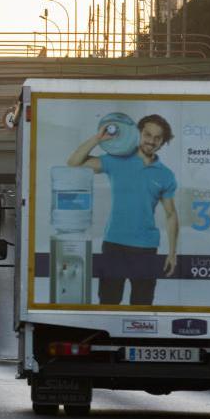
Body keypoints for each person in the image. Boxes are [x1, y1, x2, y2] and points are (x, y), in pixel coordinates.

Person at [67, 114, 179, 305]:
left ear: (163, 142)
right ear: (139, 133)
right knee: (109, 302)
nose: (151, 141)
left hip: (146, 248)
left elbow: (171, 214)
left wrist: (172, 253)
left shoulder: (166, 175)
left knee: (142, 305)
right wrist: (97, 139)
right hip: (114, 244)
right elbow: (74, 163)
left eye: (157, 138)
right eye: (147, 134)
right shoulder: (116, 160)